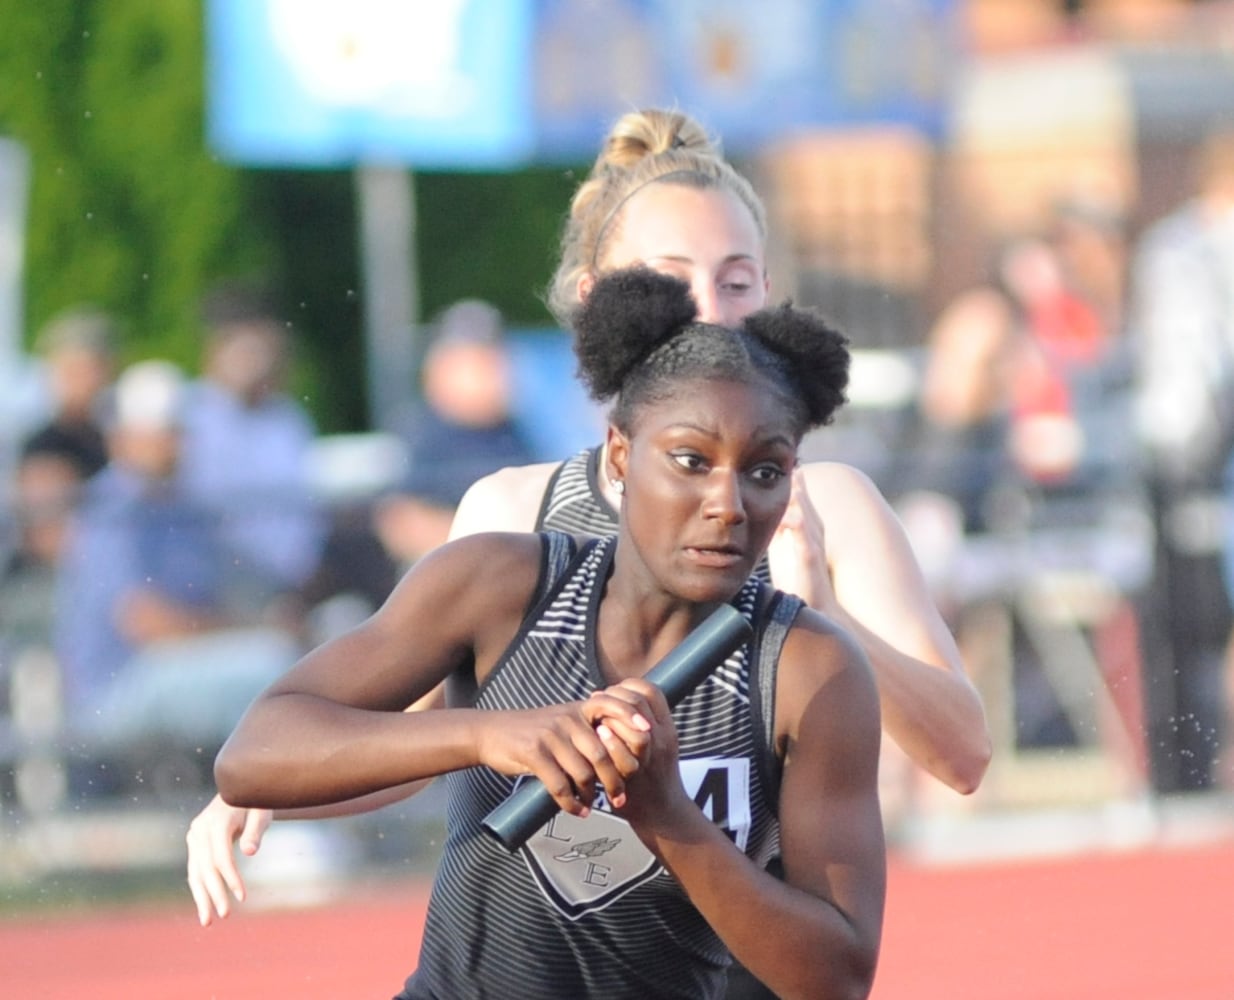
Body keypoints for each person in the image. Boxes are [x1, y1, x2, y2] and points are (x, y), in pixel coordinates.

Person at [188, 109, 987, 961]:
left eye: (739, 280)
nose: (710, 311)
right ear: (597, 298)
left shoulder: (826, 504)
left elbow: (962, 753)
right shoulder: (511, 518)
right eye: (672, 279)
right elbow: (409, 741)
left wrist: (827, 616)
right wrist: (267, 789)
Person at [215, 266, 884, 1000]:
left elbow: (838, 977)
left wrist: (669, 818)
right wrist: (488, 736)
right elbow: (254, 755)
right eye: (690, 461)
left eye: (764, 471)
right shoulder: (500, 584)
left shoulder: (807, 668)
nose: (727, 503)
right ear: (621, 455)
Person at [179, 283, 326, 613]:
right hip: (223, 588)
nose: (253, 360)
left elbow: (306, 506)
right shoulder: (190, 418)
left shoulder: (288, 418)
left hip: (294, 583)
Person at [373, 298, 537, 568]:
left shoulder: (515, 433)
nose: (486, 372)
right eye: (472, 361)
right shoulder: (419, 434)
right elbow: (399, 523)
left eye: (490, 359)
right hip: (444, 579)